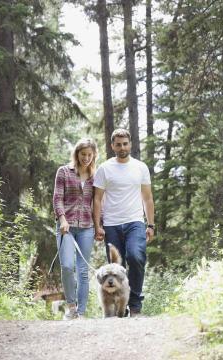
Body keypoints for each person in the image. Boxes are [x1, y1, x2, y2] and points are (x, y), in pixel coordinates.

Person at [93, 129, 155, 317]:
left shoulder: (140, 167)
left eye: (125, 144)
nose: (122, 147)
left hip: (135, 222)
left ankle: (135, 305)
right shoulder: (104, 168)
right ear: (112, 146)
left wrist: (150, 224)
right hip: (111, 224)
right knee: (116, 267)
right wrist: (98, 225)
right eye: (118, 144)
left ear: (130, 144)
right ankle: (117, 305)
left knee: (136, 257)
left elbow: (148, 198)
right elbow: (97, 199)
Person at [52, 138, 99, 320]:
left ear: (94, 155)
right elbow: (57, 198)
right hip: (66, 227)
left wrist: (98, 226)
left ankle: (80, 312)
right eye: (83, 154)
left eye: (89, 155)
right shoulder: (64, 172)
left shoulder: (96, 177)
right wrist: (62, 219)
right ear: (77, 154)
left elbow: (97, 203)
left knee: (82, 270)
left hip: (87, 227)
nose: (86, 158)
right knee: (66, 266)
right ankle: (71, 307)